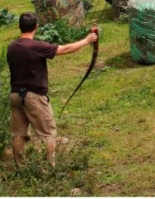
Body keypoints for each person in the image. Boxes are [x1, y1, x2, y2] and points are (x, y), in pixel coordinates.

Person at [6, 12, 98, 167]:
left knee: (18, 134)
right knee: (48, 133)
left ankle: (19, 167)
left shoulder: (12, 47)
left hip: (15, 95)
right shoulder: (36, 47)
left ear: (19, 27)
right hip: (34, 97)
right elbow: (66, 49)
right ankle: (50, 168)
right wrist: (87, 40)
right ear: (36, 26)